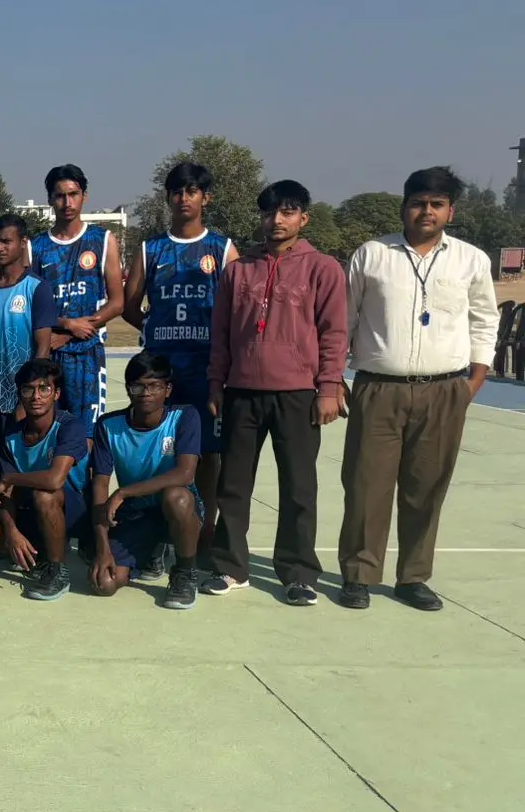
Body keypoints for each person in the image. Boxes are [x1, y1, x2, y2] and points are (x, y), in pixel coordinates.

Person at [337, 166, 500, 611]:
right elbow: (344, 320)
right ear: (403, 206)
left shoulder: (471, 260)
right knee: (366, 486)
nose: (426, 211)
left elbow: (485, 321)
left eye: (436, 204)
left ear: (451, 211)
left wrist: (475, 380)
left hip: (445, 390)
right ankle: (358, 575)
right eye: (418, 203)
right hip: (379, 389)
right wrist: (332, 377)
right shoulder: (372, 255)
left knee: (426, 488)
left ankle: (413, 577)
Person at [205, 179, 346, 605]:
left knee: (299, 487)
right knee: (233, 485)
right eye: (269, 213)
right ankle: (231, 567)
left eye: (287, 212)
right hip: (242, 391)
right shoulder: (238, 270)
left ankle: (298, 573)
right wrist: (216, 384)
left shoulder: (323, 268)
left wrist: (328, 387)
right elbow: (221, 334)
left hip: (298, 393)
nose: (276, 221)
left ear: (304, 218)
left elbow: (334, 333)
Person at [124, 161, 235, 549]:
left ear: (206, 197)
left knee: (207, 452)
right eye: (177, 191)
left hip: (206, 368)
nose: (183, 198)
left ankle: (205, 529)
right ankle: (160, 530)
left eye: (191, 191)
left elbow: (237, 308)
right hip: (162, 369)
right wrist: (155, 329)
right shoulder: (151, 248)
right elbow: (130, 305)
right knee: (161, 448)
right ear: (168, 197)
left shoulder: (222, 249)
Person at [88, 353, 202, 609]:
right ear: (128, 389)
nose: (146, 393)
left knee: (176, 497)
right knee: (104, 583)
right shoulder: (108, 425)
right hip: (136, 513)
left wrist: (123, 493)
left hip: (179, 509)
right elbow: (100, 484)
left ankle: (185, 572)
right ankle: (151, 550)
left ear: (168, 389)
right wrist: (102, 547)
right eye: (138, 386)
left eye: (154, 386)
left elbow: (185, 473)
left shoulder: (184, 417)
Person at [30, 164, 123, 425]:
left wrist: (74, 332)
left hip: (88, 354)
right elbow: (31, 304)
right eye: (60, 196)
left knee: (88, 434)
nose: (67, 203)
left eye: (73, 194)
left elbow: (117, 302)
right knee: (47, 431)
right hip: (49, 352)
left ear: (84, 196)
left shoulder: (102, 240)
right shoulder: (36, 247)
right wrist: (66, 324)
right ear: (50, 199)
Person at [0, 358, 89, 603]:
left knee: (45, 495)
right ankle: (37, 552)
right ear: (20, 394)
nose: (36, 396)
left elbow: (54, 480)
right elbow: (5, 494)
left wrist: (9, 477)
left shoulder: (69, 426)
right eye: (28, 389)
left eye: (44, 389)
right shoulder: (11, 435)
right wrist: (12, 532)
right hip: (31, 509)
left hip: (71, 510)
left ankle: (58, 571)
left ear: (56, 394)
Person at [0, 213, 58, 464]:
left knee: (27, 469)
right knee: (0, 469)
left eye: (6, 241)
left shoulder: (37, 288)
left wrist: (26, 399)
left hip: (25, 403)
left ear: (22, 243)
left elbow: (43, 350)